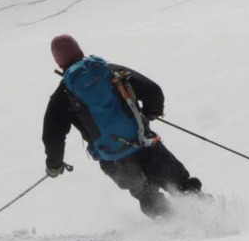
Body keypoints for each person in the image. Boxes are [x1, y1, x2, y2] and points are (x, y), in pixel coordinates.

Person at [42, 34, 202, 218]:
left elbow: (52, 134)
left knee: (147, 195)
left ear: (59, 62)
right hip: (144, 142)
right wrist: (151, 112)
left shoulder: (62, 95)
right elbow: (153, 90)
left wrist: (54, 164)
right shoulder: (109, 71)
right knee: (180, 182)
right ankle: (210, 214)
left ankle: (175, 227)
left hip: (113, 159)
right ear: (79, 50)